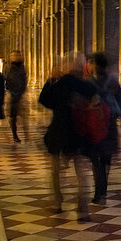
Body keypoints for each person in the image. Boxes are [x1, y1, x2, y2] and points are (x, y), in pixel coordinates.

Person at [40, 52, 99, 219]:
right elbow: (97, 104)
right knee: (82, 172)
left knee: (56, 171)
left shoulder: (61, 84)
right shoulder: (88, 85)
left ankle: (57, 202)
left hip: (60, 133)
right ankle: (83, 207)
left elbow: (44, 100)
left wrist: (51, 79)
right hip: (81, 135)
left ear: (66, 65)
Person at [86, 53, 121, 206]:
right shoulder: (113, 81)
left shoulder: (89, 82)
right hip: (110, 124)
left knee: (96, 161)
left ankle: (99, 193)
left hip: (95, 125)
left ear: (96, 65)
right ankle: (103, 191)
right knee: (106, 160)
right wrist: (115, 114)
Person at [4, 51, 27, 142]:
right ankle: (15, 135)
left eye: (17, 55)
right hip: (12, 94)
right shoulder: (8, 67)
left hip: (20, 94)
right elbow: (6, 79)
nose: (15, 57)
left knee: (23, 116)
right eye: (13, 55)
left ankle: (26, 134)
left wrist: (22, 90)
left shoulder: (22, 67)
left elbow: (24, 79)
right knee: (13, 116)